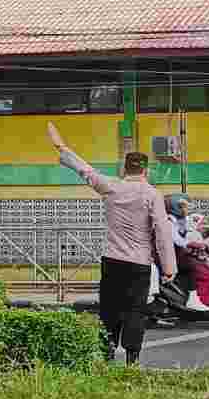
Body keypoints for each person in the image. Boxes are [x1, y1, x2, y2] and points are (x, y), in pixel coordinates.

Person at [50, 123, 178, 365]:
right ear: (145, 171)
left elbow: (85, 171)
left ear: (124, 169)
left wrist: (62, 148)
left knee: (109, 309)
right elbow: (161, 232)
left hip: (112, 261)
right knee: (135, 310)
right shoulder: (152, 195)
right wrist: (169, 267)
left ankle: (106, 354)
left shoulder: (111, 186)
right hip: (139, 263)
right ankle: (132, 358)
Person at [164, 194, 209, 312]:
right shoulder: (169, 220)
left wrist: (203, 242)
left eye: (186, 207)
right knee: (193, 267)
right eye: (183, 207)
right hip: (170, 254)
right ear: (175, 207)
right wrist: (192, 244)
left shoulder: (182, 220)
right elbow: (176, 239)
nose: (186, 209)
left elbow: (193, 232)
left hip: (177, 253)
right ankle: (192, 299)